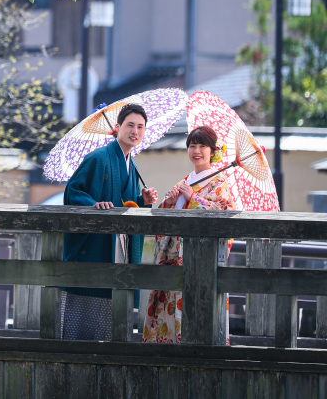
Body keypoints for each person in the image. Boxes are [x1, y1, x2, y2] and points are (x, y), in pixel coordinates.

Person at [61, 103, 158, 340]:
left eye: (140, 127)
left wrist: (141, 200)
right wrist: (94, 204)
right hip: (95, 246)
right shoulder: (99, 158)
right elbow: (73, 191)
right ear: (118, 127)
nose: (135, 131)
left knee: (110, 324)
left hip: (116, 249)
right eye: (130, 125)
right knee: (84, 323)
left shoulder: (130, 164)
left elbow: (123, 202)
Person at [142, 125, 235, 344]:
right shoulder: (185, 180)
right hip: (175, 260)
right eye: (192, 145)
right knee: (171, 311)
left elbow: (224, 214)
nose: (197, 151)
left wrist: (194, 198)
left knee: (198, 311)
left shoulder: (219, 183)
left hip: (200, 260)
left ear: (213, 151)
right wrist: (170, 203)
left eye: (203, 146)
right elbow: (165, 220)